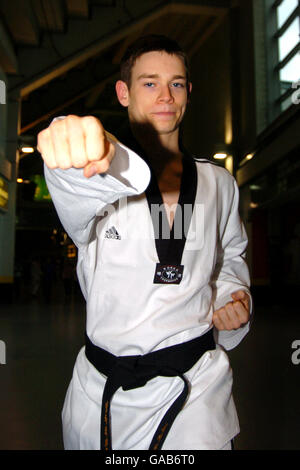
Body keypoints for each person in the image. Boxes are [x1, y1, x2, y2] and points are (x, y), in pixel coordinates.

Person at [37, 35, 252, 450]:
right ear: (123, 92)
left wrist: (233, 296)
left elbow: (229, 258)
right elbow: (75, 192)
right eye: (150, 83)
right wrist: (68, 140)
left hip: (195, 389)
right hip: (102, 391)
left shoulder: (218, 183)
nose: (166, 96)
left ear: (188, 92)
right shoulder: (101, 174)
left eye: (177, 83)